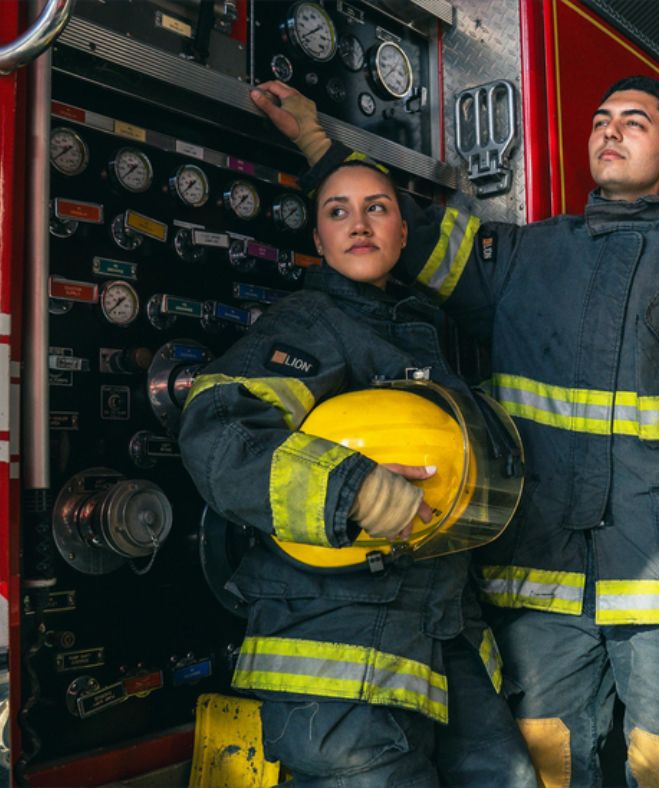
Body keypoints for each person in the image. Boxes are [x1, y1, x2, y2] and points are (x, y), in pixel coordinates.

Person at [250, 75, 659, 788]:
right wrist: (317, 142)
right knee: (544, 768)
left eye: (635, 122)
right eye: (600, 119)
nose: (610, 130)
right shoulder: (521, 258)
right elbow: (393, 226)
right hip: (544, 593)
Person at [178, 161, 537, 787]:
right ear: (318, 241)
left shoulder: (424, 334)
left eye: (377, 208)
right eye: (337, 211)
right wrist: (352, 489)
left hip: (438, 636)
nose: (359, 224)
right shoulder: (310, 322)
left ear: (403, 232)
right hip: (338, 656)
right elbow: (218, 429)